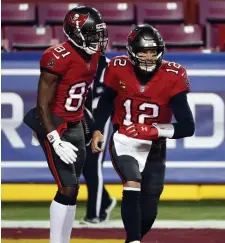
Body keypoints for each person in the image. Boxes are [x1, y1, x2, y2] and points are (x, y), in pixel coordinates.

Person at [91, 24, 195, 243]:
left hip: (154, 145)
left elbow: (187, 126)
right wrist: (98, 128)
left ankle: (132, 240)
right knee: (132, 180)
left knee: (149, 210)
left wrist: (153, 130)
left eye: (153, 51)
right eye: (143, 52)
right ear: (132, 53)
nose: (149, 56)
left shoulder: (173, 75)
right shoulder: (118, 67)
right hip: (124, 139)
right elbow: (107, 100)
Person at [23, 6, 108, 243]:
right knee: (67, 186)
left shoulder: (95, 57)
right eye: (91, 34)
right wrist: (53, 137)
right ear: (76, 33)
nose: (97, 39)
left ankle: (63, 240)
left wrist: (90, 127)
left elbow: (85, 95)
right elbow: (42, 104)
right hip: (55, 124)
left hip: (77, 123)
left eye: (97, 33)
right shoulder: (56, 56)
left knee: (74, 188)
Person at [81, 55, 117, 224]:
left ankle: (94, 214)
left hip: (100, 115)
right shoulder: (74, 60)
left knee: (93, 164)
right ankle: (105, 200)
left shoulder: (110, 65)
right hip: (80, 115)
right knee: (84, 165)